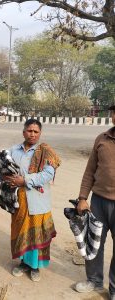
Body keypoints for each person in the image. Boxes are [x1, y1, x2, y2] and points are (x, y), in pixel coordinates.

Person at [4, 119, 60, 282]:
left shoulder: (46, 151)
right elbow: (5, 170)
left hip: (38, 200)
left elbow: (47, 175)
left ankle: (35, 266)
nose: (32, 134)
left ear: (40, 134)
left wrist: (25, 180)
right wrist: (7, 178)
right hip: (18, 200)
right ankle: (23, 263)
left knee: (37, 234)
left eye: (36, 131)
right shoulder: (14, 150)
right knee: (21, 231)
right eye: (29, 131)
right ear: (24, 132)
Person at [74, 105, 115, 298]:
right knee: (94, 243)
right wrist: (83, 198)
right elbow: (90, 171)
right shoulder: (102, 139)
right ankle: (94, 280)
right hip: (98, 201)